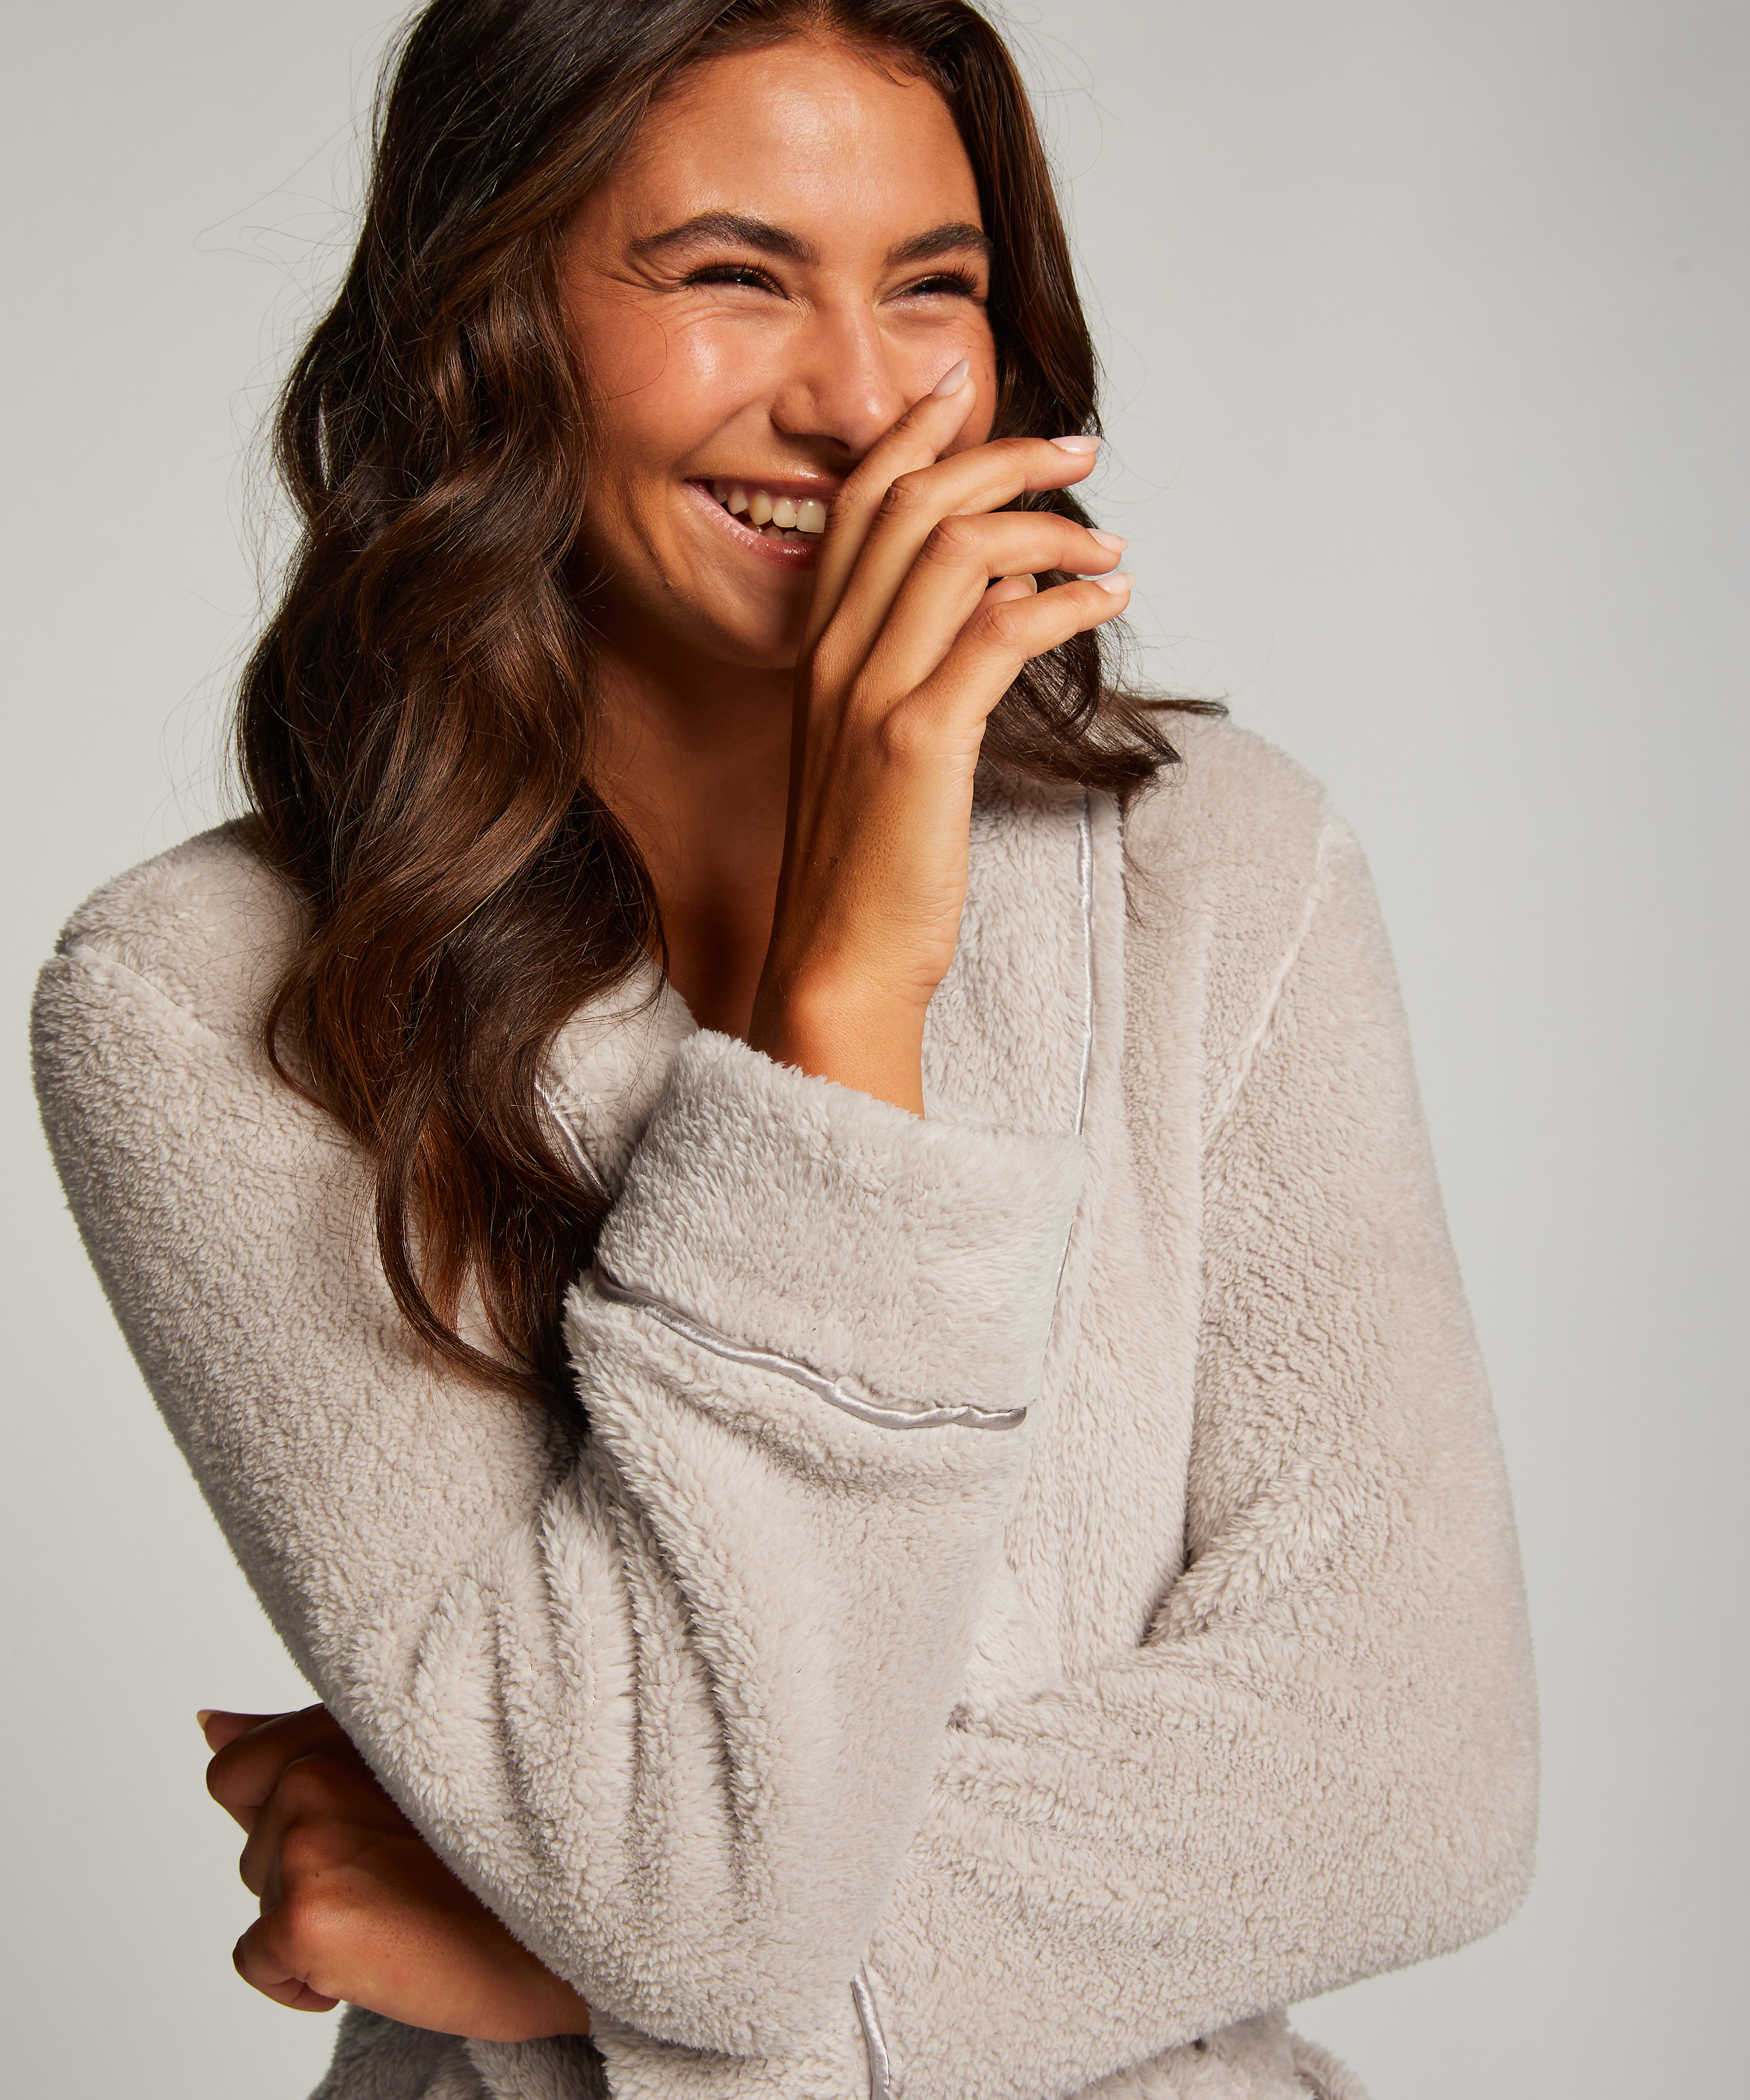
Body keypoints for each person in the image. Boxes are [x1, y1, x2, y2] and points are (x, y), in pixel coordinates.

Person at [30, 3, 1538, 2097]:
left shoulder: (1215, 861)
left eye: (932, 287)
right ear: (484, 320)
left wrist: (556, 1969)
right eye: (733, 276)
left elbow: (1414, 1777)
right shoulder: (211, 994)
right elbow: (700, 1894)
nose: (855, 401)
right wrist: (849, 998)